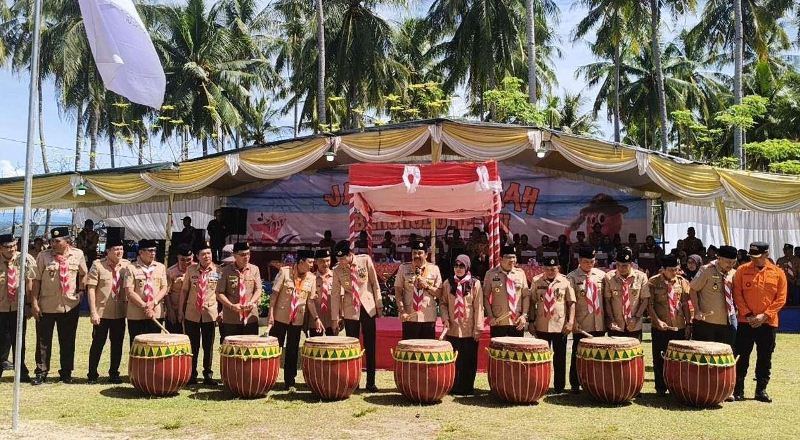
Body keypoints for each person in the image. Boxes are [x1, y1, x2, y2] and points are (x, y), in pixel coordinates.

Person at [31, 227, 88, 385]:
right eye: (52, 241)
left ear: (67, 241)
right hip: (47, 305)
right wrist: (34, 303)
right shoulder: (43, 256)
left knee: (68, 340)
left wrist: (81, 291)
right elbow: (36, 280)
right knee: (43, 341)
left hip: (69, 305)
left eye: (57, 241)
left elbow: (84, 273)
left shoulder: (78, 254)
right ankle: (41, 372)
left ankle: (66, 372)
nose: (53, 244)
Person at [732, 242, 787, 403]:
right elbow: (737, 294)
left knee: (765, 357)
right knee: (742, 356)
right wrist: (748, 315)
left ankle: (761, 390)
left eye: (757, 256)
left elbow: (781, 298)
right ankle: (738, 389)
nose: (753, 260)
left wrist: (764, 316)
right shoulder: (742, 270)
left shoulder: (778, 273)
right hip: (745, 321)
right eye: (751, 256)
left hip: (768, 323)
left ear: (766, 255)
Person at [331, 240, 382, 392]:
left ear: (349, 254)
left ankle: (371, 382)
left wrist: (379, 305)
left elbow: (374, 282)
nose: (340, 262)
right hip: (350, 310)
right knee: (352, 347)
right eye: (338, 259)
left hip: (368, 307)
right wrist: (335, 318)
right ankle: (354, 381)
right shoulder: (337, 270)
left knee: (370, 345)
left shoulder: (364, 260)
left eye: (342, 258)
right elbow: (334, 294)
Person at [269, 249, 316, 391]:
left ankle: (290, 381)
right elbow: (274, 295)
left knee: (292, 350)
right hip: (280, 318)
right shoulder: (285, 272)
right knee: (274, 349)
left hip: (297, 320)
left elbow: (310, 302)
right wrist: (270, 314)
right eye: (310, 262)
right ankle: (269, 378)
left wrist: (316, 318)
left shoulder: (312, 278)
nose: (312, 265)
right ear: (301, 262)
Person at [85, 238, 130, 384]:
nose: (119, 252)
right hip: (102, 312)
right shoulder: (98, 265)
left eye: (121, 249)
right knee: (98, 343)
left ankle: (114, 373)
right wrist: (93, 312)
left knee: (117, 344)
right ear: (108, 251)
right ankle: (92, 373)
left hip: (120, 312)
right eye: (116, 249)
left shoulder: (127, 266)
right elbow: (91, 289)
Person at [529, 255, 575, 394]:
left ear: (558, 268)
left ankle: (559, 387)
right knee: (541, 357)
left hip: (559, 325)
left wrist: (570, 322)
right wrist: (531, 322)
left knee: (560, 357)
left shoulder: (565, 281)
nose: (550, 271)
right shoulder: (537, 281)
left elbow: (571, 303)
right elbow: (532, 302)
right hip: (542, 324)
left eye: (553, 269)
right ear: (543, 268)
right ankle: (541, 385)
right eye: (547, 269)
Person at [647, 255, 691, 396]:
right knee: (659, 358)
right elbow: (650, 305)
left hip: (678, 326)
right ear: (663, 270)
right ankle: (660, 388)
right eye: (671, 270)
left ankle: (676, 387)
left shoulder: (682, 282)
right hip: (661, 327)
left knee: (678, 359)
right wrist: (657, 321)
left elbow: (685, 304)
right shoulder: (653, 283)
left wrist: (688, 323)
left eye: (676, 269)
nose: (674, 273)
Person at [440, 254, 483, 395]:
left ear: (467, 267)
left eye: (461, 266)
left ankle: (467, 387)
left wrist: (478, 328)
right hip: (453, 327)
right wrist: (445, 319)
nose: (458, 269)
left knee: (469, 359)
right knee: (454, 360)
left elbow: (479, 306)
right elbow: (443, 303)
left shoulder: (474, 283)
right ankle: (453, 386)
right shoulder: (448, 283)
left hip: (468, 328)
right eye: (456, 266)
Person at [566, 247, 605, 394]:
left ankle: (596, 382)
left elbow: (606, 301)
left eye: (592, 261)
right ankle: (575, 384)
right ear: (579, 261)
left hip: (599, 321)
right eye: (586, 262)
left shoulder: (601, 276)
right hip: (582, 322)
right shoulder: (571, 278)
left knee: (599, 354)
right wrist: (573, 320)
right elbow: (569, 302)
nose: (589, 264)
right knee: (578, 353)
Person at [179, 242, 220, 386]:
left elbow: (221, 293)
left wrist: (221, 312)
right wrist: (180, 310)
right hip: (192, 313)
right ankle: (192, 374)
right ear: (197, 256)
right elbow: (184, 291)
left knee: (208, 346)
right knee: (193, 346)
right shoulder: (191, 270)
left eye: (209, 253)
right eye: (203, 254)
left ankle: (208, 374)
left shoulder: (218, 270)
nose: (207, 256)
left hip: (210, 313)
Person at [0, 234, 36, 382]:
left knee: (19, 340)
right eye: (7, 247)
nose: (12, 249)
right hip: (1, 308)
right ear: (0, 248)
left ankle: (21, 371)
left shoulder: (24, 259)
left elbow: (31, 282)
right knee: (2, 341)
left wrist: (29, 304)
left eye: (14, 245)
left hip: (18, 307)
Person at [689, 245, 738, 347]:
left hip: (728, 321)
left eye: (734, 262)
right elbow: (693, 289)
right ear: (719, 258)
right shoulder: (706, 270)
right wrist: (697, 310)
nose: (731, 265)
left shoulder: (734, 273)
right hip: (707, 321)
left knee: (727, 353)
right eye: (728, 262)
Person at [394, 240, 442, 340]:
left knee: (427, 351)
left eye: (420, 253)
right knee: (410, 351)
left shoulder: (434, 269)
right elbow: (398, 292)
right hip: (409, 316)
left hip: (427, 317)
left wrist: (427, 286)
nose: (417, 255)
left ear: (426, 255)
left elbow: (439, 293)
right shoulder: (403, 268)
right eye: (414, 253)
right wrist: (402, 311)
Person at [123, 239, 168, 345]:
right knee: (137, 346)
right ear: (141, 252)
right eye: (150, 250)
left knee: (154, 346)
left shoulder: (160, 267)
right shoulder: (131, 268)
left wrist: (153, 303)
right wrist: (145, 306)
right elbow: (129, 291)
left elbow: (164, 288)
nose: (153, 253)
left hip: (155, 313)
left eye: (154, 251)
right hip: (136, 314)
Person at [216, 242, 262, 340]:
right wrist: (231, 306)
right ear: (234, 255)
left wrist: (252, 302)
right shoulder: (224, 271)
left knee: (250, 348)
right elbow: (219, 292)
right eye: (242, 255)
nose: (246, 257)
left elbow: (258, 289)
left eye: (248, 254)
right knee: (232, 350)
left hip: (250, 317)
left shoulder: (255, 269)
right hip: (231, 318)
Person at [603, 247, 649, 341]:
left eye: (624, 266)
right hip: (616, 324)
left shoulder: (641, 277)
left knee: (635, 354)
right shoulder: (609, 277)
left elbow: (645, 300)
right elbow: (607, 300)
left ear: (631, 264)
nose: (621, 268)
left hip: (634, 324)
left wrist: (636, 318)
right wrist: (611, 320)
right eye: (618, 265)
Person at [483, 245, 529, 338]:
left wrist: (524, 315)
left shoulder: (520, 274)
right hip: (498, 321)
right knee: (498, 351)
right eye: (508, 257)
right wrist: (490, 316)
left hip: (517, 321)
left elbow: (526, 296)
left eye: (514, 257)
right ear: (500, 259)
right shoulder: (490, 274)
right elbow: (485, 297)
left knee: (516, 351)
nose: (512, 260)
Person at [166, 244, 193, 334]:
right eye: (182, 260)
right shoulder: (171, 272)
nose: (186, 263)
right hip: (175, 310)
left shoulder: (197, 270)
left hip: (192, 311)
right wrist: (170, 311)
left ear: (193, 257)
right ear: (178, 257)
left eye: (189, 259)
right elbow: (166, 293)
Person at [307, 249, 335, 336]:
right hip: (315, 320)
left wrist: (340, 317)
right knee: (315, 347)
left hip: (332, 319)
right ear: (316, 262)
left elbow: (340, 298)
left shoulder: (336, 277)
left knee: (332, 347)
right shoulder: (311, 278)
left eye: (328, 261)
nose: (325, 264)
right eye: (322, 261)